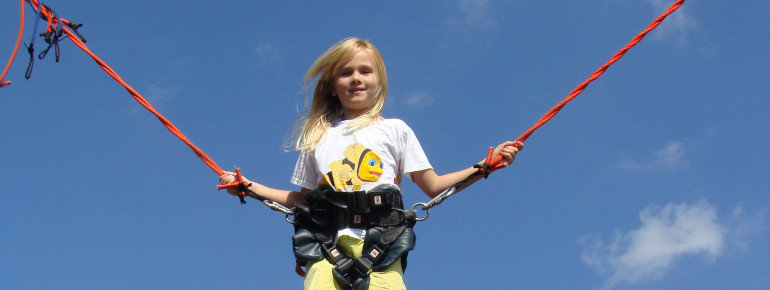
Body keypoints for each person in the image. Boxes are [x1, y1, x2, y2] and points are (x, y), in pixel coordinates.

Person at [220, 37, 522, 290]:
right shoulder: (318, 137)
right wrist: (248, 186)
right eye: (346, 72)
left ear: (378, 81)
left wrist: (484, 166)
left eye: (365, 71)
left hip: (382, 244)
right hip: (327, 244)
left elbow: (433, 185)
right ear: (333, 86)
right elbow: (302, 199)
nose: (356, 78)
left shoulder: (395, 130)